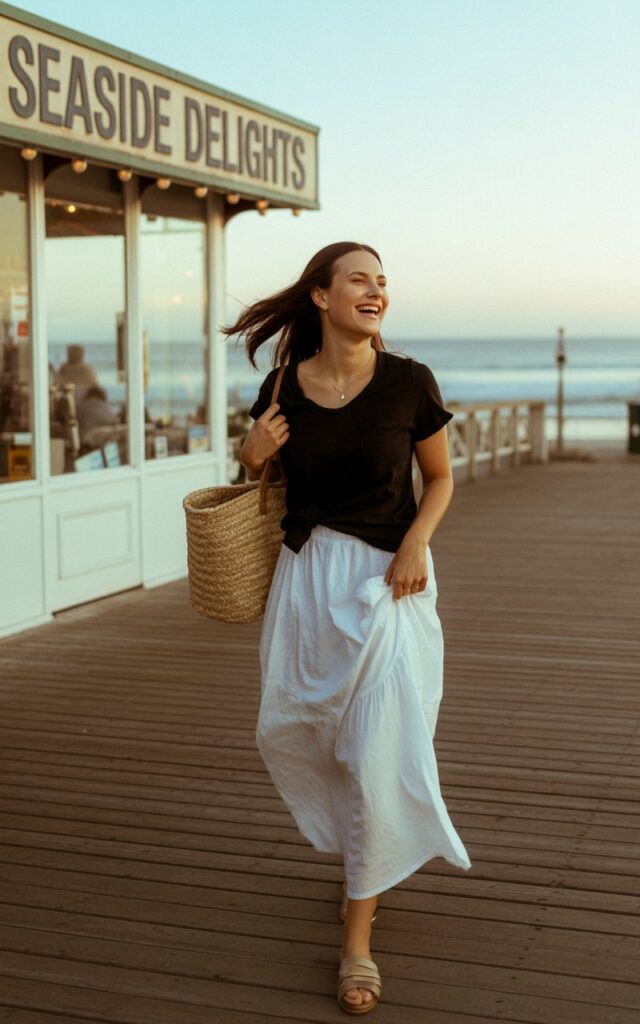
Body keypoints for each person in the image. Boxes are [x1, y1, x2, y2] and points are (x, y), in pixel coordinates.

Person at [223, 241, 471, 1014]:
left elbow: (440, 478)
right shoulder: (280, 387)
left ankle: (356, 939)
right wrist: (250, 454)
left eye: (382, 282)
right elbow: (254, 484)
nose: (377, 291)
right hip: (307, 585)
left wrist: (415, 543)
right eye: (360, 280)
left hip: (391, 584)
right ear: (323, 298)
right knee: (302, 732)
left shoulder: (408, 383)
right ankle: (368, 859)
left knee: (376, 751)